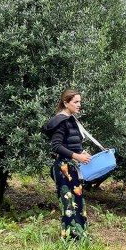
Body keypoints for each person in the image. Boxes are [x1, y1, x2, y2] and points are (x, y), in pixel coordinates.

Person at [42, 89, 92, 240]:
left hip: (73, 166)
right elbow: (56, 146)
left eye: (80, 102)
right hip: (64, 167)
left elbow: (72, 144)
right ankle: (70, 238)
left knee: (77, 201)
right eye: (75, 102)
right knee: (68, 204)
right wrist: (77, 156)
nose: (79, 105)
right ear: (65, 103)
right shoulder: (60, 121)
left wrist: (82, 154)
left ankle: (80, 235)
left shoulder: (71, 120)